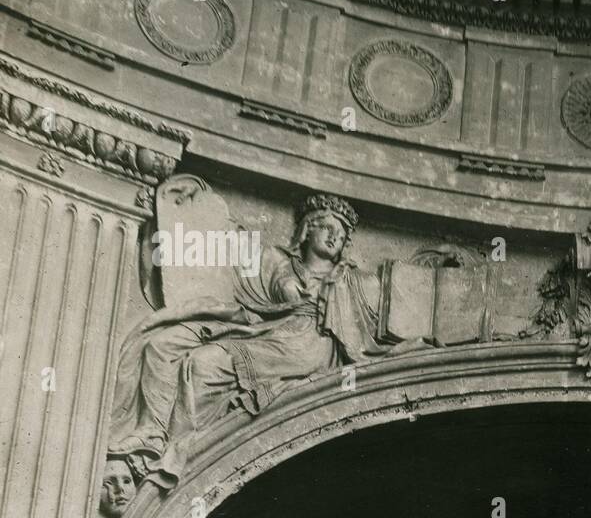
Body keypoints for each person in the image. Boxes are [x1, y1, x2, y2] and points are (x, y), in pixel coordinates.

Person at [108, 193, 390, 491]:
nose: (335, 236)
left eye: (342, 234)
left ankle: (180, 454)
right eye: (328, 228)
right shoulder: (277, 262)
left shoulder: (348, 277)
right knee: (179, 353)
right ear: (308, 229)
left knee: (205, 366)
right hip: (269, 332)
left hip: (308, 344)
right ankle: (159, 439)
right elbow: (232, 258)